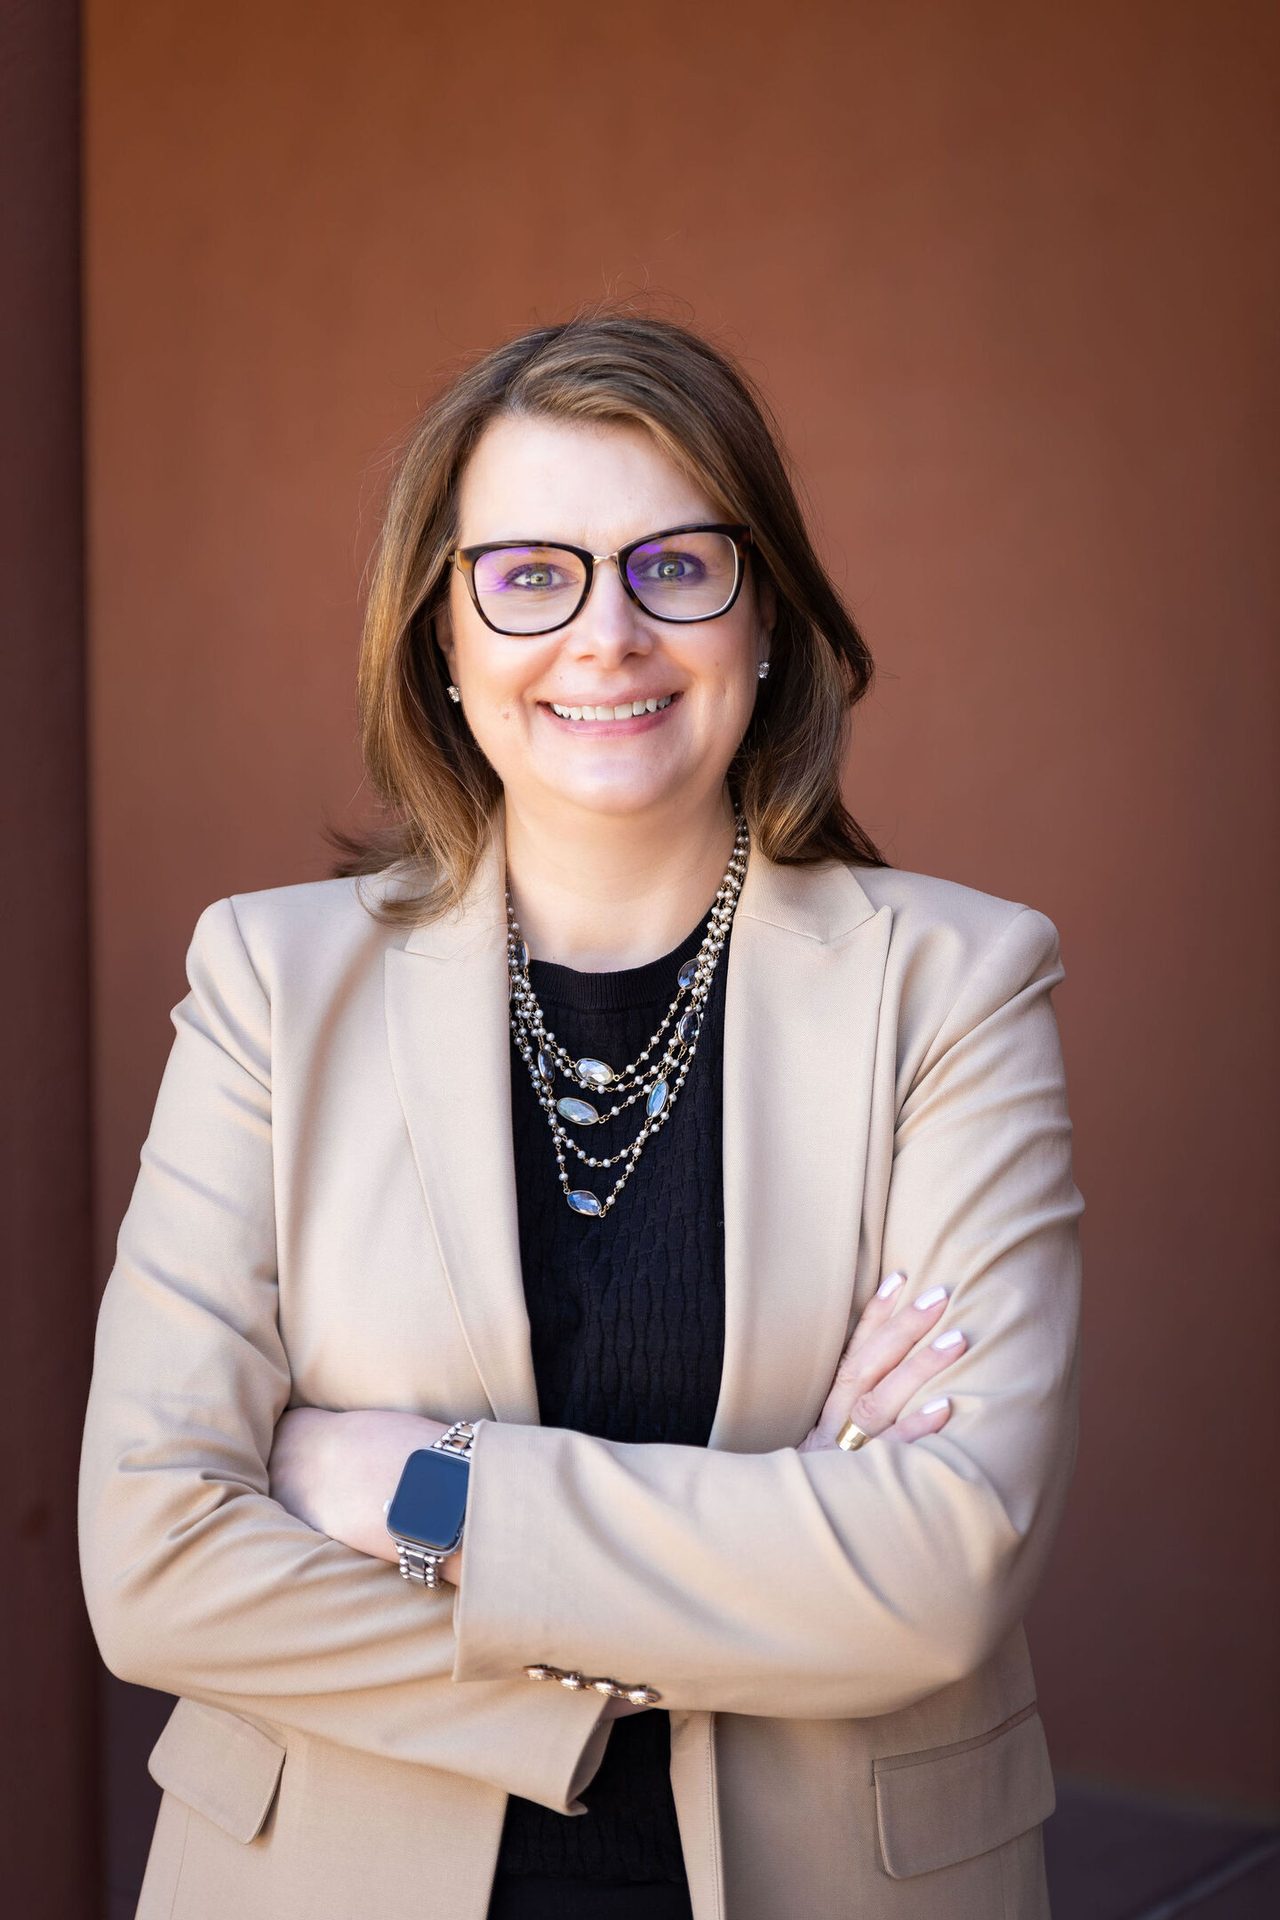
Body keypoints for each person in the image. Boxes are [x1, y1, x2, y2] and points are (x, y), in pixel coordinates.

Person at [78, 307, 1084, 1920]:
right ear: (444, 646)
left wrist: (428, 1493)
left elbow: (937, 1573)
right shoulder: (271, 982)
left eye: (677, 565)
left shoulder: (957, 985)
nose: (607, 633)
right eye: (531, 575)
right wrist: (747, 1584)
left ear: (765, 622)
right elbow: (154, 1567)